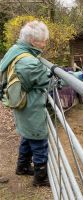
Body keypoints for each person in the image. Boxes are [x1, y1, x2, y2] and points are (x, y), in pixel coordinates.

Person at [0, 20, 51, 187]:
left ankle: (22, 167)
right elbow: (49, 82)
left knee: (27, 135)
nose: (44, 45)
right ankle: (40, 178)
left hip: (19, 103)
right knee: (38, 140)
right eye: (43, 41)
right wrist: (80, 75)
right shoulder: (28, 62)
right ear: (33, 41)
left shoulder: (15, 50)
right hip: (30, 106)